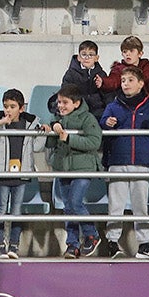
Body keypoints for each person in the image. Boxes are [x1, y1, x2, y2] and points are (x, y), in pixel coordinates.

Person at [96, 67, 149, 259]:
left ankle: (143, 244)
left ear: (141, 84)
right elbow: (102, 122)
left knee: (141, 205)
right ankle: (112, 242)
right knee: (115, 205)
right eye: (123, 80)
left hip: (141, 162)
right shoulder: (113, 105)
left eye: (130, 80)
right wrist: (106, 122)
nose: (126, 84)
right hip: (117, 161)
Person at [0, 89, 45, 258]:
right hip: (2, 172)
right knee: (1, 209)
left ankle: (14, 246)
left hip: (21, 173)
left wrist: (43, 133)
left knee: (16, 211)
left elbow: (37, 147)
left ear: (21, 108)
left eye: (12, 106)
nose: (8, 110)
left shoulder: (31, 122)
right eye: (6, 106)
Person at [48, 84, 104, 258]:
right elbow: (51, 145)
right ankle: (72, 244)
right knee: (68, 207)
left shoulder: (88, 119)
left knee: (75, 202)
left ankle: (91, 235)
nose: (61, 106)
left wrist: (69, 138)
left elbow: (94, 142)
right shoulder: (58, 119)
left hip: (83, 168)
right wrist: (50, 131)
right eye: (59, 102)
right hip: (63, 168)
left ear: (77, 103)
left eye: (65, 102)